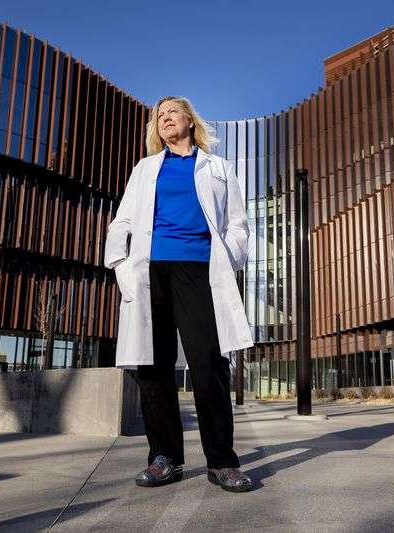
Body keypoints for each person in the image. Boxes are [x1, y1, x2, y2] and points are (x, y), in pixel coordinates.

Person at [104, 96, 254, 492]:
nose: (165, 117)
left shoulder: (218, 167)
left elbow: (238, 224)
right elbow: (122, 222)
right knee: (153, 367)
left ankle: (222, 462)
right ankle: (165, 458)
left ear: (190, 120)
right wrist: (120, 266)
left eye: (172, 111)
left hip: (200, 271)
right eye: (159, 115)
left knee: (209, 364)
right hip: (150, 271)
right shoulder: (145, 168)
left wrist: (228, 259)